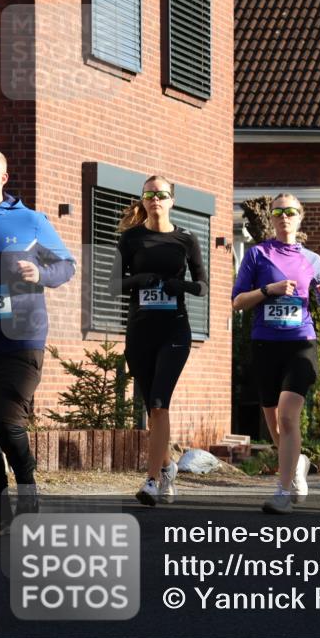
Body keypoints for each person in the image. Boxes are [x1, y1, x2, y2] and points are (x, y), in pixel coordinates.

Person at [0, 144, 76, 536]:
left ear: (2, 178)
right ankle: (1, 512)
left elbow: (65, 265)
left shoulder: (30, 221)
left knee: (4, 418)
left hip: (21, 339)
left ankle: (28, 486)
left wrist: (40, 273)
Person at [232, 193, 320, 513]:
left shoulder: (312, 260)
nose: (284, 217)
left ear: (300, 217)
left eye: (291, 212)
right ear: (272, 218)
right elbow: (237, 302)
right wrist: (268, 290)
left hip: (301, 343)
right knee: (276, 424)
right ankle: (297, 464)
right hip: (265, 345)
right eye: (278, 212)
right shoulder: (257, 255)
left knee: (288, 415)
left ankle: (282, 489)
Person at [112, 175, 208, 507]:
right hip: (140, 331)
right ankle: (167, 466)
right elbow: (114, 284)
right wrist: (140, 279)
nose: (155, 199)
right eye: (149, 194)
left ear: (172, 201)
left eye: (162, 194)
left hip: (174, 330)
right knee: (150, 409)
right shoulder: (130, 239)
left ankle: (152, 481)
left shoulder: (186, 239)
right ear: (143, 200)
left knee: (158, 403)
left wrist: (174, 286)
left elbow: (202, 286)